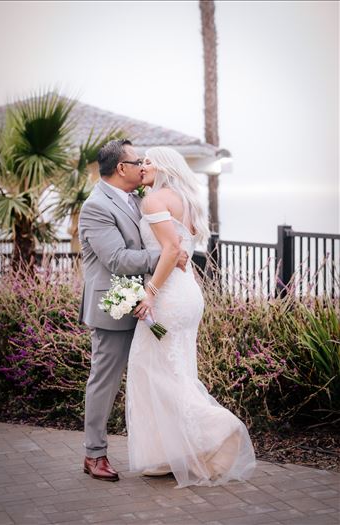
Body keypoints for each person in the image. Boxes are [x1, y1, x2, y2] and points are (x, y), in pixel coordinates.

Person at [126, 147, 256, 488]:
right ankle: (171, 453)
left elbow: (169, 250)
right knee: (174, 368)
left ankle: (220, 428)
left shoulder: (155, 201)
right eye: (139, 161)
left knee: (154, 370)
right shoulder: (183, 199)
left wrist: (148, 294)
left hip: (167, 296)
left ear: (165, 166)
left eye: (148, 161)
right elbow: (178, 249)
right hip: (186, 292)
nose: (142, 166)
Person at [78, 139, 188, 481]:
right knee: (105, 382)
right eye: (136, 160)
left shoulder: (138, 198)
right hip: (114, 306)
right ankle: (94, 455)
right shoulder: (96, 207)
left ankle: (168, 451)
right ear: (121, 168)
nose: (143, 165)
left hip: (148, 302)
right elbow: (116, 259)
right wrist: (167, 254)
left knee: (157, 377)